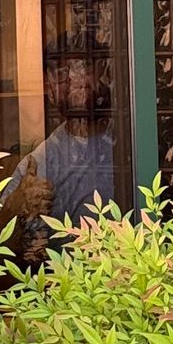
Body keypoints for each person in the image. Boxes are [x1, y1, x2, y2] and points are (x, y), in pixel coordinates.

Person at [9, 32, 117, 223]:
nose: (75, 79)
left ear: (103, 73)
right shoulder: (38, 164)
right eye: (61, 73)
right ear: (49, 90)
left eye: (84, 67)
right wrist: (17, 206)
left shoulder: (130, 140)